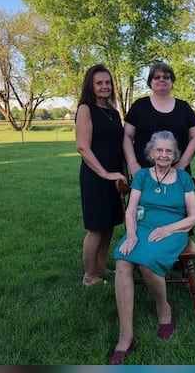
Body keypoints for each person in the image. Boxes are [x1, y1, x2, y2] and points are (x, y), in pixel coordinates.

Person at [109, 131, 195, 365]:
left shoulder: (182, 178)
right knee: (122, 260)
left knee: (147, 264)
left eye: (168, 151)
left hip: (173, 230)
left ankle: (164, 310)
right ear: (151, 152)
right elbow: (130, 210)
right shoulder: (141, 176)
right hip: (142, 227)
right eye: (159, 150)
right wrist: (131, 235)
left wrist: (169, 229)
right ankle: (126, 336)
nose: (163, 154)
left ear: (174, 154)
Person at [75, 64, 128, 287]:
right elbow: (83, 148)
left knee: (109, 224)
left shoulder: (113, 113)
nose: (104, 86)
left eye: (107, 82)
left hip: (114, 176)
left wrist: (122, 175)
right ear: (91, 85)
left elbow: (119, 145)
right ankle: (89, 275)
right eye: (99, 83)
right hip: (96, 175)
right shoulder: (86, 109)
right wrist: (105, 173)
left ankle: (100, 266)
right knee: (97, 227)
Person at [123, 62, 195, 176]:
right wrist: (133, 163)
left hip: (177, 174)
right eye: (157, 77)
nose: (161, 80)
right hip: (143, 173)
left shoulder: (184, 107)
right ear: (150, 82)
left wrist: (182, 164)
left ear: (172, 82)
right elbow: (127, 136)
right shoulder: (139, 106)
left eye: (166, 77)